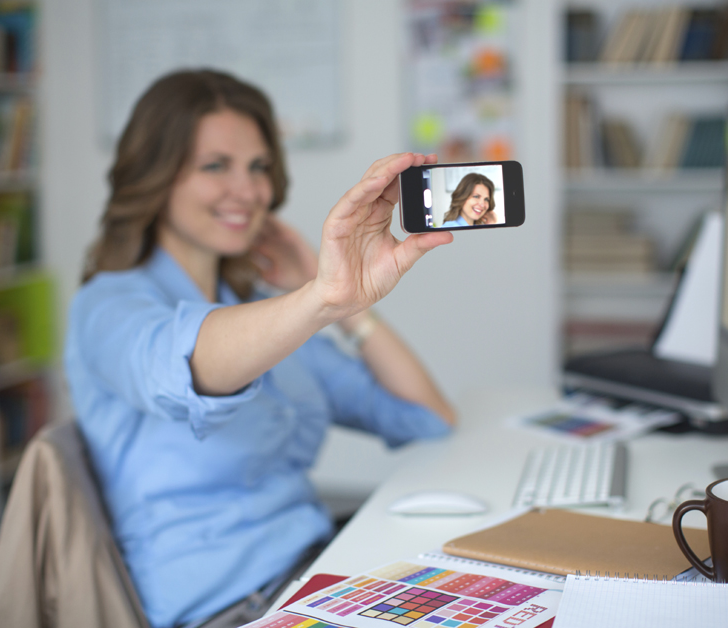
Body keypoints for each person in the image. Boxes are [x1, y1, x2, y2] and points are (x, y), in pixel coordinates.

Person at [64, 69, 456, 628]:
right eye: (215, 166)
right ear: (156, 176)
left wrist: (348, 308)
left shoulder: (263, 311)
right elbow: (183, 362)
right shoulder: (108, 305)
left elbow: (427, 419)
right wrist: (320, 298)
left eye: (259, 167)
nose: (248, 192)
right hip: (227, 606)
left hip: (312, 571)